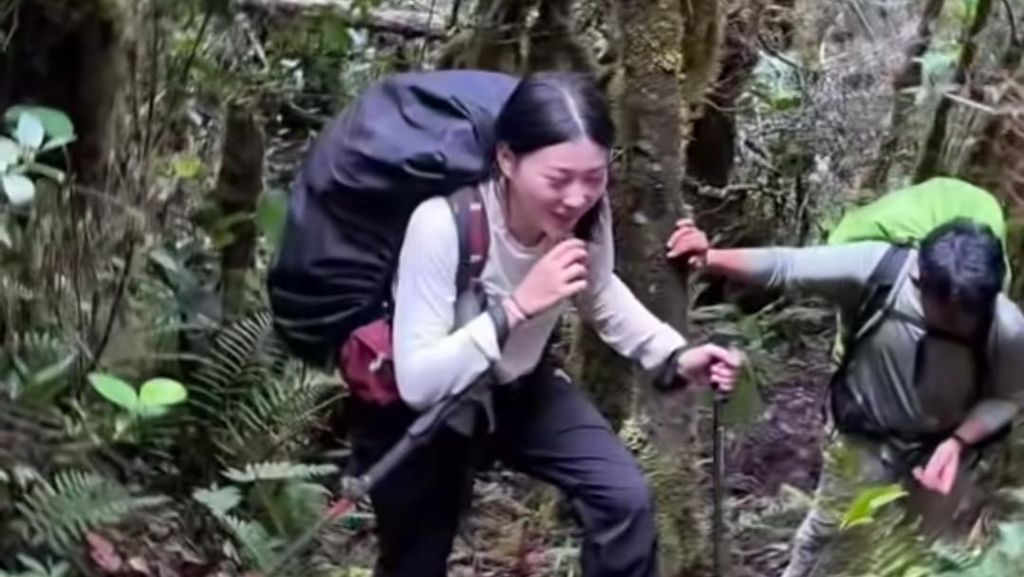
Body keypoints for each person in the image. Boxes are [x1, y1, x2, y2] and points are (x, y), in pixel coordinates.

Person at [344, 72, 744, 577]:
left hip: (522, 389)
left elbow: (600, 292)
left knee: (624, 500)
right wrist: (517, 307)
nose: (577, 197)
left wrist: (675, 355)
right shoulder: (442, 223)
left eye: (593, 177)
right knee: (415, 561)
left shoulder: (584, 217)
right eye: (558, 179)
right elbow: (419, 381)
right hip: (428, 413)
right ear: (507, 160)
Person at [665, 218, 1024, 577]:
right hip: (863, 441)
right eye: (949, 310)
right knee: (825, 534)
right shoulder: (879, 271)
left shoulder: (1006, 328)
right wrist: (709, 257)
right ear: (919, 278)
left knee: (911, 550)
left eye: (971, 312)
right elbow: (788, 266)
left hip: (942, 460)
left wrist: (958, 443)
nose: (961, 320)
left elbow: (1007, 398)